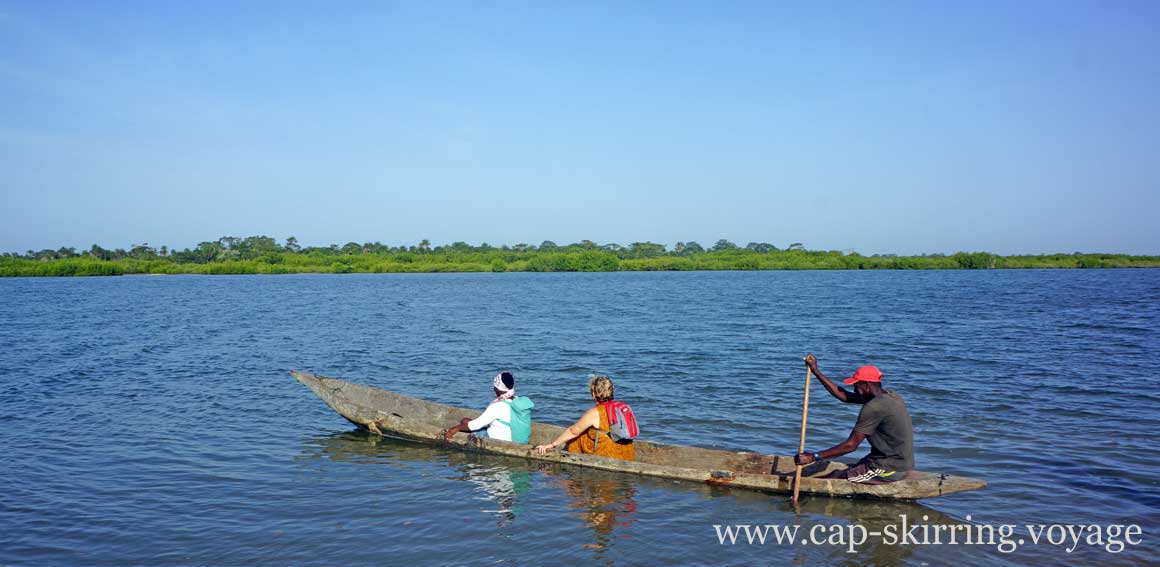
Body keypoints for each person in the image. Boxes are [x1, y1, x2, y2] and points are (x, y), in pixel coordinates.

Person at [793, 354, 914, 483]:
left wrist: (813, 457)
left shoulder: (874, 407)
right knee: (838, 472)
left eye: (856, 386)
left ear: (866, 385)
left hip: (888, 468)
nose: (854, 389)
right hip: (889, 459)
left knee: (832, 479)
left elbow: (850, 446)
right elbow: (844, 396)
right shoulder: (889, 395)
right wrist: (815, 371)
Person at [535, 375, 634, 461]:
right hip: (628, 453)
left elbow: (573, 431)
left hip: (607, 454)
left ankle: (569, 476)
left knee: (579, 436)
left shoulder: (594, 412)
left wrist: (551, 445)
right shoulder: (623, 407)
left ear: (593, 395)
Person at [444, 371, 533, 443]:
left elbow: (475, 425)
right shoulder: (517, 401)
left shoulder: (497, 406)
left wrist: (454, 429)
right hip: (520, 440)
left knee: (464, 422)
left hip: (500, 440)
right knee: (466, 421)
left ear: (496, 389)